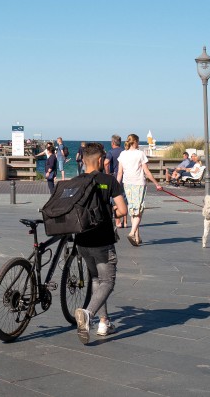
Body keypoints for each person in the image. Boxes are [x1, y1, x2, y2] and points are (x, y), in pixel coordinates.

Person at [71, 142, 128, 345]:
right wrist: (109, 210)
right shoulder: (108, 180)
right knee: (108, 281)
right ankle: (89, 314)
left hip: (82, 240)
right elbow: (122, 211)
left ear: (84, 160)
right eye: (104, 158)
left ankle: (104, 322)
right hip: (102, 240)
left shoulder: (76, 181)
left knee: (96, 278)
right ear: (98, 160)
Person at [116, 133, 162, 247]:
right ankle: (132, 233)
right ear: (135, 142)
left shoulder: (123, 154)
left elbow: (120, 173)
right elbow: (146, 172)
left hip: (127, 183)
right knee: (139, 210)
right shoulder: (140, 154)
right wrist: (157, 184)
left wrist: (116, 186)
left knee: (133, 209)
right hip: (138, 183)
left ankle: (137, 237)